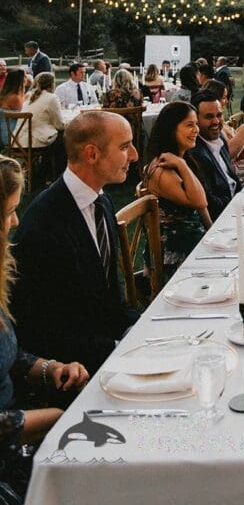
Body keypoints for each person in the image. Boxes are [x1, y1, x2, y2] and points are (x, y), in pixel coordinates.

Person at [11, 112, 140, 374]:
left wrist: (142, 327)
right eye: (125, 147)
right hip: (75, 368)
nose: (135, 155)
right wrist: (118, 349)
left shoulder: (100, 201)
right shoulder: (45, 225)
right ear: (92, 154)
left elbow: (108, 299)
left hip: (104, 345)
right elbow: (44, 330)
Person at [0, 155, 89, 503]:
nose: (16, 220)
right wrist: (54, 418)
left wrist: (48, 368)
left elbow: (8, 355)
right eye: (8, 212)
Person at [143, 102, 210, 277]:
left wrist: (213, 233)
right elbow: (200, 201)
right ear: (171, 129)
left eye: (196, 124)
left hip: (193, 239)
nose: (196, 129)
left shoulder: (179, 160)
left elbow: (201, 209)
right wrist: (182, 165)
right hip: (174, 253)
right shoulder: (162, 170)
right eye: (189, 125)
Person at [189, 93, 243, 221]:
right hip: (223, 219)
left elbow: (232, 180)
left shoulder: (220, 141)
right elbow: (210, 203)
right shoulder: (195, 154)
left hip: (238, 209)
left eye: (219, 115)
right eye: (209, 117)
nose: (216, 121)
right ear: (196, 120)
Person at [16, 73, 66, 171]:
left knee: (55, 140)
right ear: (52, 84)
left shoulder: (29, 96)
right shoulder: (51, 98)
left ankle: (44, 172)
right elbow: (60, 125)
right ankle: (57, 173)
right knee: (63, 137)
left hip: (19, 140)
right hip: (34, 142)